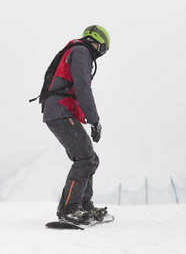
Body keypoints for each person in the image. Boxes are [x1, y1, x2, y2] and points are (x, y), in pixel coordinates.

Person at [43, 25, 110, 225]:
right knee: (85, 159)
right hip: (59, 112)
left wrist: (90, 120)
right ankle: (68, 210)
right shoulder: (81, 51)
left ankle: (83, 205)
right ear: (100, 43)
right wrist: (94, 120)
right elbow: (82, 87)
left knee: (90, 158)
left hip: (60, 112)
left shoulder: (78, 51)